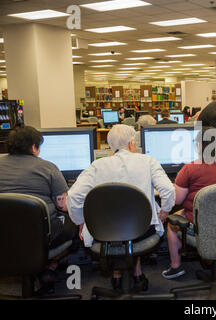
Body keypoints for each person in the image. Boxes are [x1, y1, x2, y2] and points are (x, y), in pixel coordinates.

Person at [67, 124, 175, 292]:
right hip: (141, 232)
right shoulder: (147, 161)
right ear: (132, 143)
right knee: (135, 224)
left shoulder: (97, 166)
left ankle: (117, 278)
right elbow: (168, 190)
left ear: (110, 147)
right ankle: (137, 275)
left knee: (118, 226)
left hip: (103, 233)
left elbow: (73, 196)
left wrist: (81, 221)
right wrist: (165, 211)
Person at [0, 126, 77, 293]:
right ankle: (50, 266)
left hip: (4, 234)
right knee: (74, 220)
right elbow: (62, 205)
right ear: (34, 147)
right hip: (39, 234)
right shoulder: (47, 167)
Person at [162, 127, 216, 279]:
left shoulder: (190, 169)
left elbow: (178, 200)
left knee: (172, 221)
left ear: (199, 146)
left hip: (201, 225)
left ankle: (176, 267)